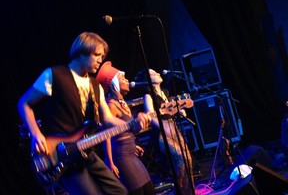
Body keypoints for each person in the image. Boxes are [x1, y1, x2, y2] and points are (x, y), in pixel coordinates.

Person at [17, 32, 151, 195]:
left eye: (102, 55)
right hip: (60, 154)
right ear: (82, 52)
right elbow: (24, 103)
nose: (100, 60)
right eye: (97, 54)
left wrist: (132, 124)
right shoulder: (54, 75)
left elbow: (108, 119)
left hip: (86, 152)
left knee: (120, 191)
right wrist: (36, 134)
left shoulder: (95, 86)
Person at [96, 61, 156, 195]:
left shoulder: (122, 103)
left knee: (150, 190)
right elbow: (107, 135)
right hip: (122, 158)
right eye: (122, 78)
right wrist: (110, 162)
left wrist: (133, 144)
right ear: (114, 84)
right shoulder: (111, 106)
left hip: (131, 154)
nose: (127, 80)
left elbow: (128, 130)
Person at [135, 68, 195, 195]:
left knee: (187, 158)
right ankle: (180, 191)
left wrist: (179, 111)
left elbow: (170, 112)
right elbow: (151, 117)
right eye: (153, 73)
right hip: (161, 133)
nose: (157, 73)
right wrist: (164, 127)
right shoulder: (148, 96)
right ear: (147, 81)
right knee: (179, 158)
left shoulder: (165, 93)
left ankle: (189, 191)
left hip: (173, 128)